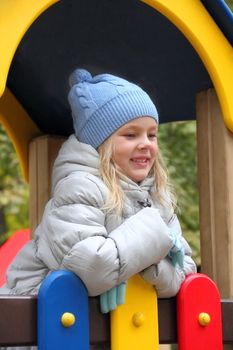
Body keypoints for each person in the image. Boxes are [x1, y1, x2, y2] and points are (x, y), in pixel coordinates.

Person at [0, 69, 196, 349]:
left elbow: (184, 270)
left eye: (152, 135)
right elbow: (91, 266)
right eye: (130, 134)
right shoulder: (79, 187)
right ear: (100, 143)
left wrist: (146, 265)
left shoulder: (157, 198)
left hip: (109, 332)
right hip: (37, 328)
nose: (146, 144)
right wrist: (155, 242)